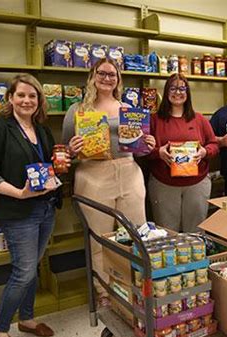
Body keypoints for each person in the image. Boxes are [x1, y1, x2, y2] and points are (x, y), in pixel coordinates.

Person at [0, 74, 65, 337]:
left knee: (34, 268)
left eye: (33, 96)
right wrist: (20, 193)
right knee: (23, 272)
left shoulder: (42, 129)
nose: (27, 100)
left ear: (39, 101)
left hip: (46, 208)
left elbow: (47, 166)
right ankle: (0, 330)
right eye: (21, 95)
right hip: (18, 212)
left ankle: (26, 319)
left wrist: (60, 165)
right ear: (10, 98)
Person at [62, 57, 155, 306]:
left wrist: (147, 145)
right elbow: (65, 151)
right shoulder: (78, 110)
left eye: (112, 74)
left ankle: (134, 289)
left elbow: (138, 149)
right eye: (101, 73)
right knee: (100, 237)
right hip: (93, 175)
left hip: (129, 172)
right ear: (92, 76)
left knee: (135, 235)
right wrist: (71, 149)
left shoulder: (128, 109)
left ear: (118, 79)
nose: (106, 78)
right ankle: (104, 291)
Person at [148, 73, 219, 232]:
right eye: (173, 88)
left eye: (182, 88)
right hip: (163, 184)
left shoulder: (199, 119)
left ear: (188, 93)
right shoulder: (154, 120)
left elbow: (214, 144)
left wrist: (204, 152)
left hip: (197, 184)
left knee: (196, 230)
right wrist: (158, 152)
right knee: (166, 231)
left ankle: (197, 258)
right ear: (166, 92)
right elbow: (143, 150)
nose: (178, 92)